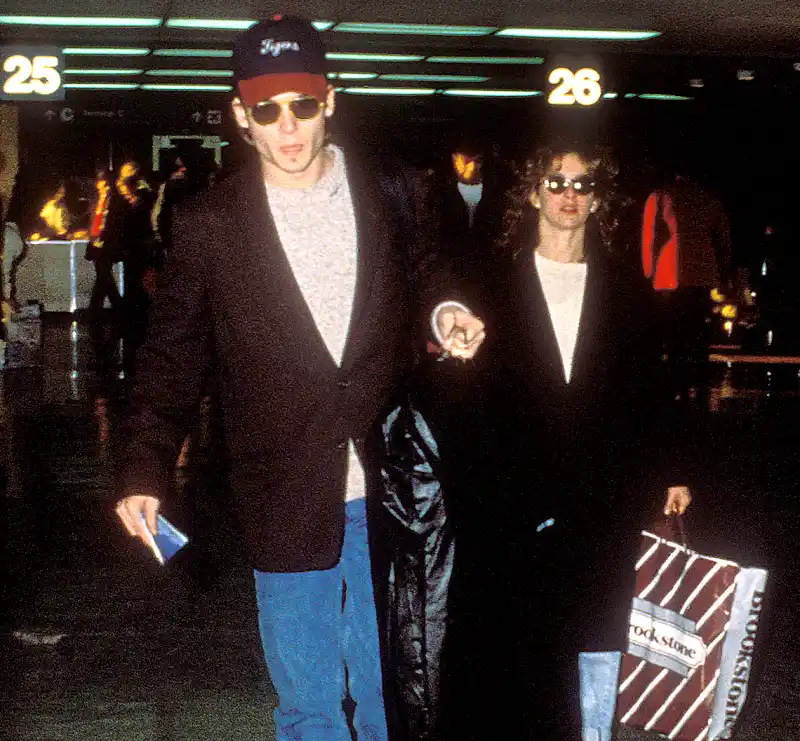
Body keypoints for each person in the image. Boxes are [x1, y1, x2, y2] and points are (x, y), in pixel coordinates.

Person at [114, 15, 484, 741]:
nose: (288, 127)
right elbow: (172, 357)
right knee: (308, 700)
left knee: (396, 691)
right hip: (281, 486)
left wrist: (448, 311)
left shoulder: (397, 192)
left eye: (302, 105)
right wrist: (144, 464)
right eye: (266, 110)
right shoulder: (209, 225)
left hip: (392, 491)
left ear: (330, 100)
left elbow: (433, 273)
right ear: (240, 116)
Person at [442, 141, 692, 741]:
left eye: (582, 186)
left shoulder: (627, 291)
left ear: (600, 199)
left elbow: (651, 392)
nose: (568, 196)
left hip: (600, 495)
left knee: (594, 635)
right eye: (555, 183)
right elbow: (465, 397)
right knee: (512, 642)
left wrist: (672, 469)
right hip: (509, 499)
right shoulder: (490, 284)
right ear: (532, 193)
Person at [641, 169, 734, 404]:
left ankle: (678, 381)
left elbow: (648, 235)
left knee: (675, 328)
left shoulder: (662, 194)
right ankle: (697, 382)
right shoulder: (708, 197)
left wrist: (647, 271)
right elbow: (723, 239)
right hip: (701, 267)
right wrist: (723, 273)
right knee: (696, 329)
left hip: (671, 269)